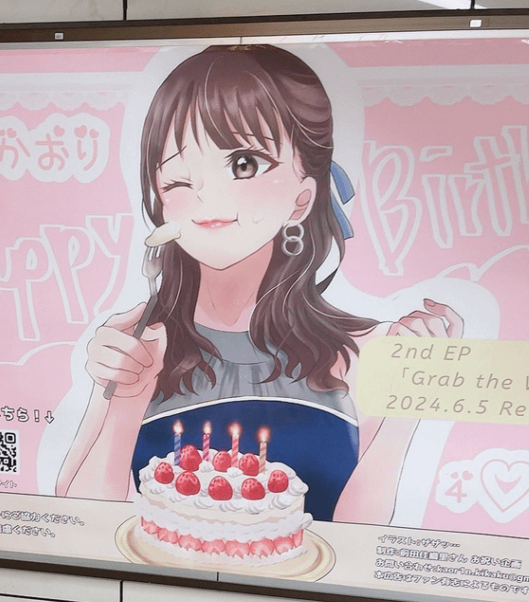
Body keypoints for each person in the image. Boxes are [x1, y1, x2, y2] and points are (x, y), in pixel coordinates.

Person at [56, 45, 462, 524]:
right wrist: (127, 399)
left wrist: (407, 401)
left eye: (243, 165)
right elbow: (80, 524)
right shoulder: (140, 342)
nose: (208, 198)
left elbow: (360, 538)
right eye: (179, 178)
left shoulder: (368, 350)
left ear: (303, 196)